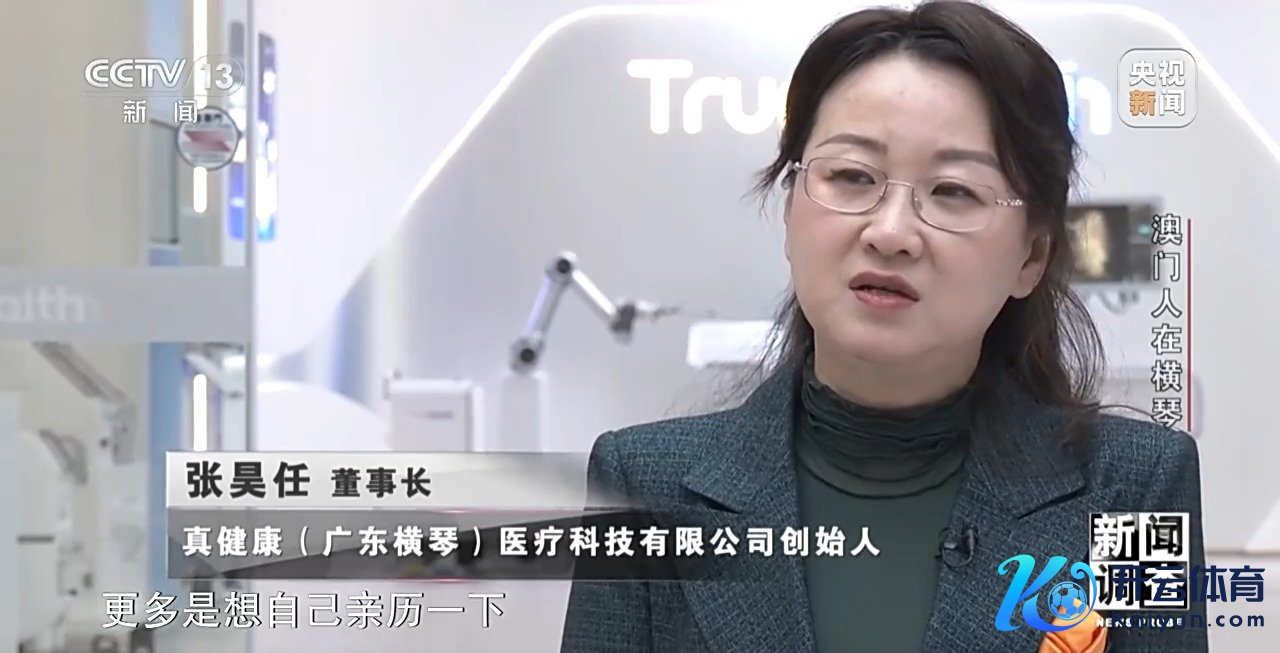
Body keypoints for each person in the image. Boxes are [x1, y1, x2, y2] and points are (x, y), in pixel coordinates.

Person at [560, 2, 1207, 652]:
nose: (891, 232)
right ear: (789, 208)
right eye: (851, 176)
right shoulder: (642, 487)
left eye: (954, 191)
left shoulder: (1137, 489)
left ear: (1032, 256)